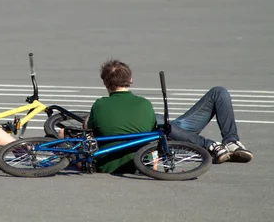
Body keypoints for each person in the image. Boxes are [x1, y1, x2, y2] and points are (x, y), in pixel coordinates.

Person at [59, 59, 253, 173]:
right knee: (218, 93)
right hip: (170, 139)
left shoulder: (100, 105)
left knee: (165, 123)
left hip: (170, 132)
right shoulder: (144, 103)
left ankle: (229, 143)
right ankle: (216, 143)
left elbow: (88, 128)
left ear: (105, 84)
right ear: (131, 80)